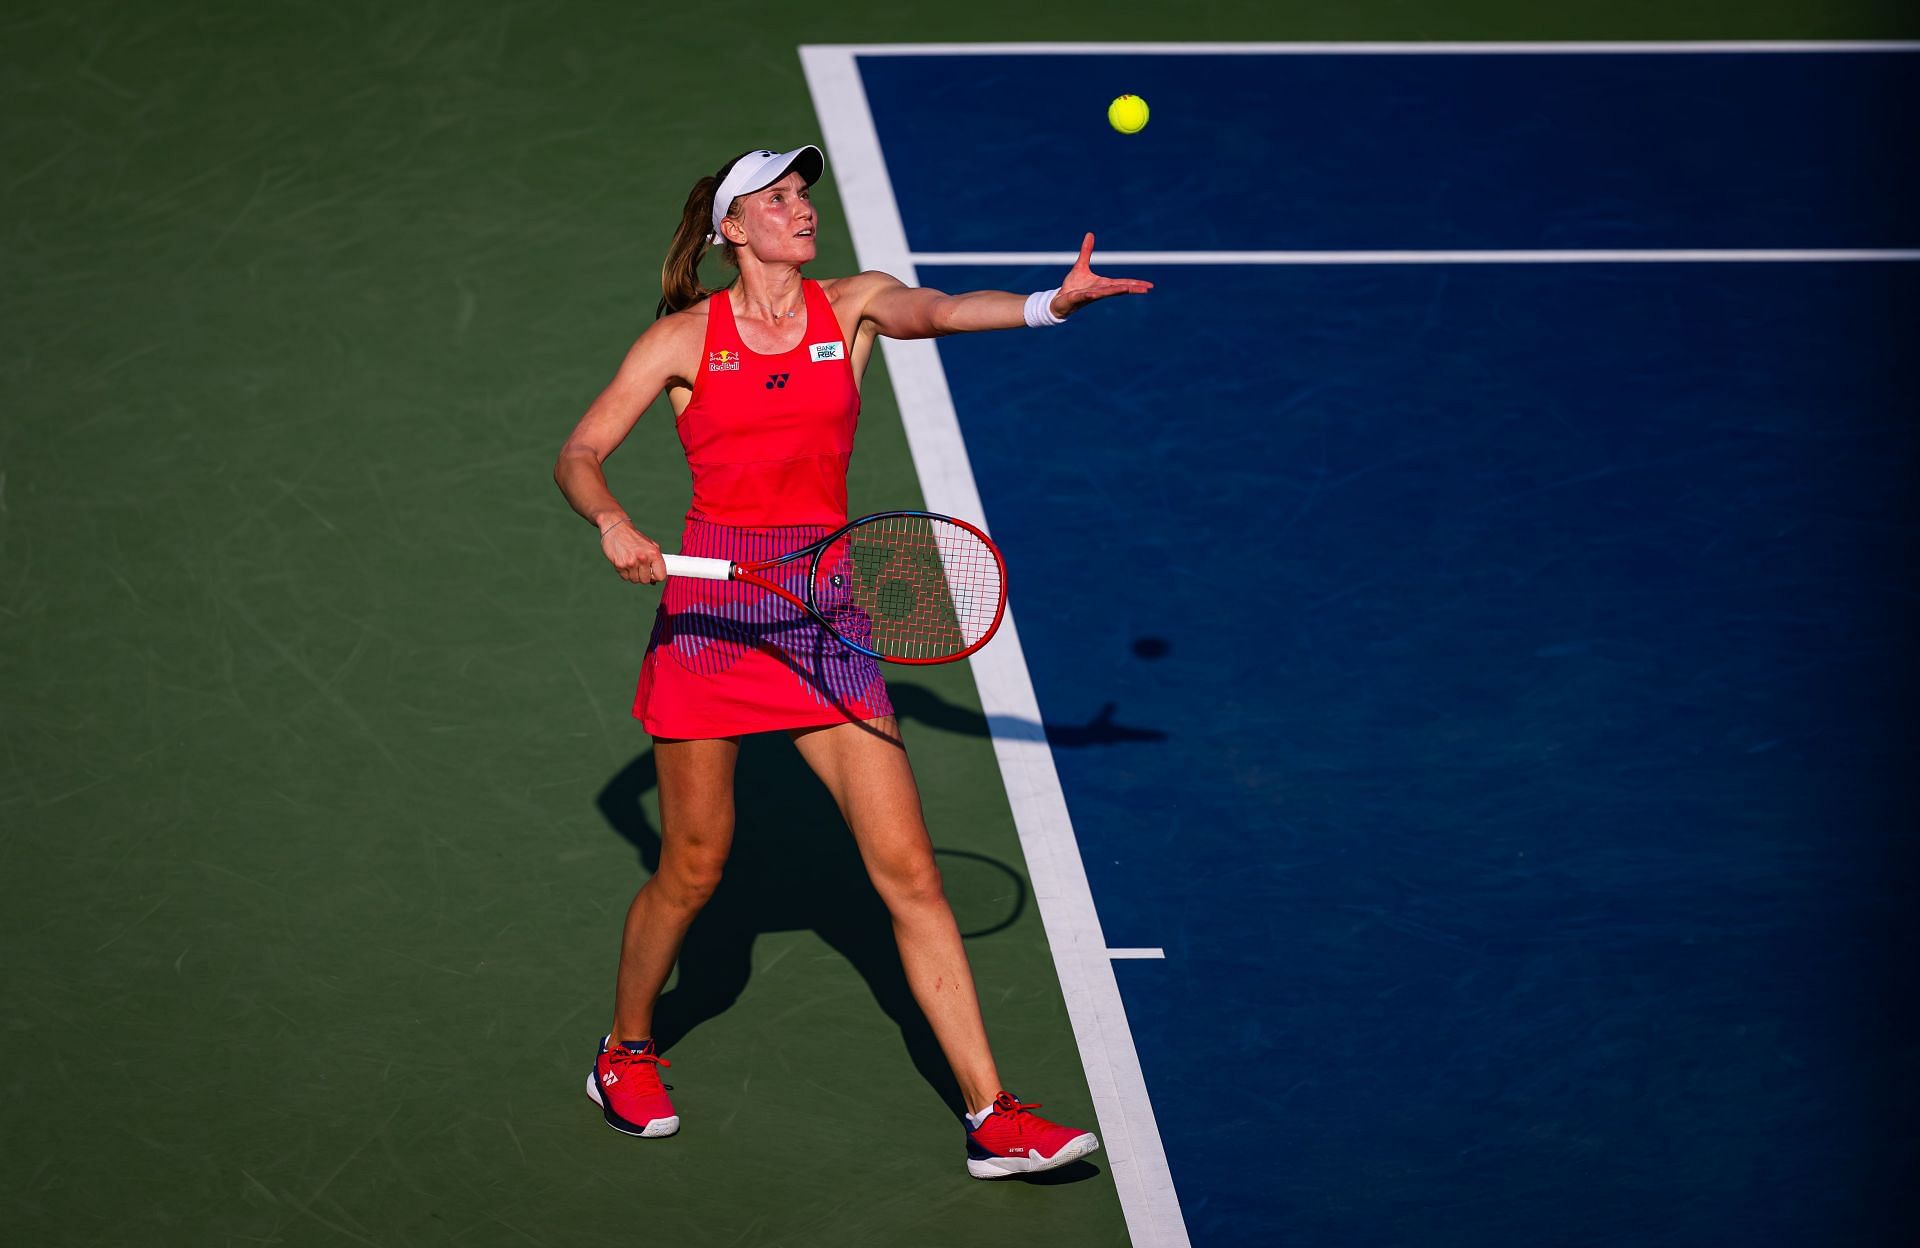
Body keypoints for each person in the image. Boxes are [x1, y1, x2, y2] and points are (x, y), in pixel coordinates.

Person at [552, 145, 1151, 1178]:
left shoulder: (856, 307)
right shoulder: (684, 339)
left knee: (910, 874)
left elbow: (947, 310)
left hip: (826, 615)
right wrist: (612, 522)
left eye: (803, 196)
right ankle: (625, 1049)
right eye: (776, 199)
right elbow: (579, 451)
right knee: (694, 868)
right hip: (712, 623)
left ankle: (991, 1112)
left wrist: (1050, 305)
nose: (800, 210)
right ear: (732, 229)